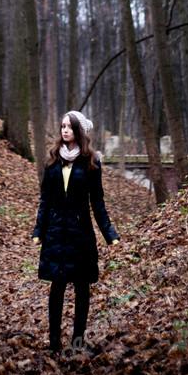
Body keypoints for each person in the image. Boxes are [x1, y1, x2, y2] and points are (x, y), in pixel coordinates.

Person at [32, 110, 120, 354]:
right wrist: (39, 229)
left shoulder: (91, 162)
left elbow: (98, 202)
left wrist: (109, 233)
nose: (65, 130)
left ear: (79, 131)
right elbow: (45, 200)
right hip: (56, 234)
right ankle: (54, 344)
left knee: (82, 288)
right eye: (62, 126)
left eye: (69, 127)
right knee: (57, 286)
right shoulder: (52, 162)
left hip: (81, 234)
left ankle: (78, 342)